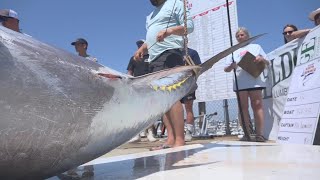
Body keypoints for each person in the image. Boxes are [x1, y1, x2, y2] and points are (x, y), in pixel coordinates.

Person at [134, 0, 194, 149]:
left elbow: (189, 27)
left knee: (172, 97)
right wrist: (143, 47)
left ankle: (179, 140)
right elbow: (152, 37)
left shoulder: (176, 3)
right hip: (154, 58)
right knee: (163, 100)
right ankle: (170, 139)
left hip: (170, 53)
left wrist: (170, 31)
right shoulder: (150, 15)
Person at [224, 27, 269, 142]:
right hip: (240, 82)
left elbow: (267, 61)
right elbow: (226, 69)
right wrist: (231, 66)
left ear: (248, 36)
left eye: (242, 35)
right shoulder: (232, 51)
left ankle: (260, 134)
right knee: (243, 108)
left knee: (257, 105)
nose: (240, 37)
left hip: (255, 80)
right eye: (238, 36)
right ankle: (247, 134)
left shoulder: (256, 47)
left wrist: (261, 59)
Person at [127, 39, 157, 143]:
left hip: (150, 86)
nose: (139, 46)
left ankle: (150, 133)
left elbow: (155, 71)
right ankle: (136, 134)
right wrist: (129, 83)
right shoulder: (133, 58)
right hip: (137, 86)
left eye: (141, 44)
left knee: (149, 111)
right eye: (138, 45)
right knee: (137, 110)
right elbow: (130, 71)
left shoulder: (151, 57)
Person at [181, 48, 201, 142]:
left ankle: (189, 131)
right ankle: (178, 132)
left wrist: (189, 65)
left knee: (188, 107)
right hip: (175, 85)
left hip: (189, 84)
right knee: (175, 108)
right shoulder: (173, 53)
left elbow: (198, 69)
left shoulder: (193, 52)